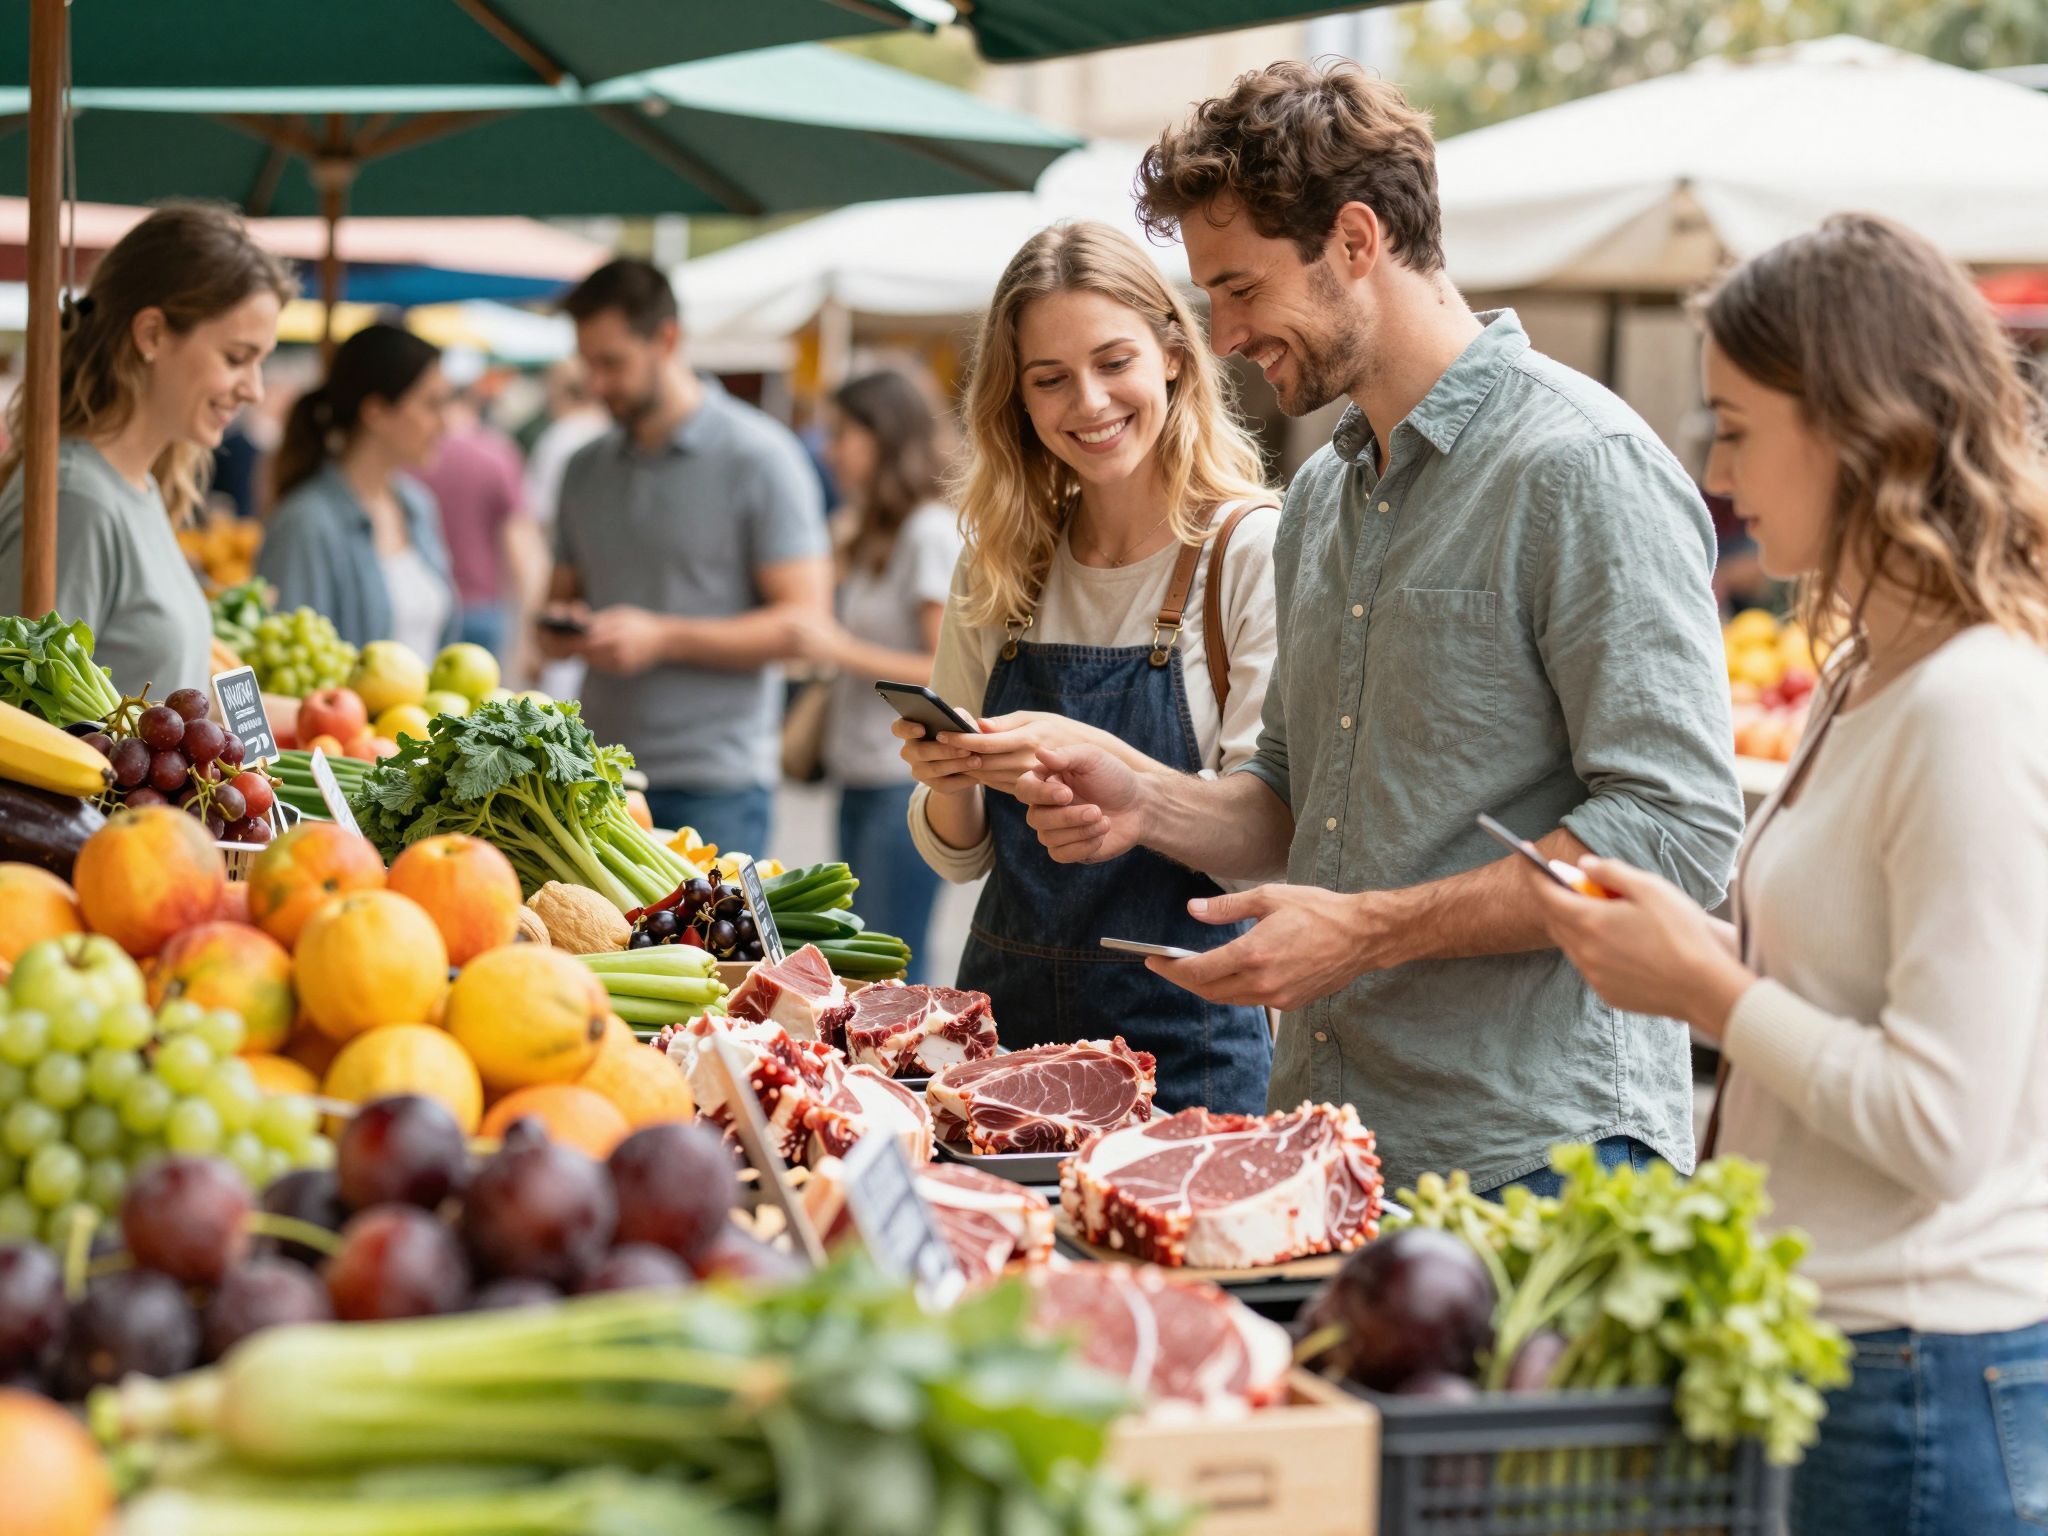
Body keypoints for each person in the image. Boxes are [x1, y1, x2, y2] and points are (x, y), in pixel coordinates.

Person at [1013, 63, 1744, 1191]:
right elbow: (1293, 808)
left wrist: (1366, 931)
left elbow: (1676, 830)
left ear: (1354, 240)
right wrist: (1142, 799)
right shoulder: (1321, 498)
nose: (1220, 331)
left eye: (1241, 287)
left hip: (1543, 1153)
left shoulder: (1578, 467)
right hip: (1334, 1137)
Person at [1532, 216, 2048, 1535]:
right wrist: (1681, 941)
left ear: (1858, 427)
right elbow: (1838, 978)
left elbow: (1942, 1128)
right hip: (1843, 1361)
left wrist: (1708, 992)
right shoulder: (1868, 672)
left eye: (1737, 423)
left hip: (1917, 1380)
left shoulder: (1971, 707)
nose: (1714, 466)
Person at [897, 221, 1281, 1114]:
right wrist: (948, 778)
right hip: (1001, 1034)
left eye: (1114, 362)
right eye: (1050, 379)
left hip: (1189, 1052)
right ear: (1017, 401)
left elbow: (1273, 847)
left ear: (1175, 356)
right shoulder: (1000, 558)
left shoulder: (1248, 549)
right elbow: (960, 858)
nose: (1090, 401)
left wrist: (1130, 794)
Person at [539, 258, 830, 858]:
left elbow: (805, 627)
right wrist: (561, 630)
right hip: (596, 777)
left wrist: (662, 637)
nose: (596, 383)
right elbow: (557, 600)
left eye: (611, 362)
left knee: (711, 957)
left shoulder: (761, 458)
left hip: (716, 784)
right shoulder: (582, 468)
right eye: (587, 364)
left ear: (666, 339)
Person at [0, 202, 291, 695]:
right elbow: (28, 724)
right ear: (152, 334)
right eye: (237, 358)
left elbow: (156, 700)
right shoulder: (76, 501)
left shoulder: (140, 484)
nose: (255, 390)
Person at [787, 370, 964, 984]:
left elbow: (944, 672)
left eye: (841, 434)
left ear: (884, 437)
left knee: (890, 970)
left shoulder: (927, 532)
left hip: (903, 784)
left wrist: (840, 648)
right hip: (863, 775)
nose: (828, 450)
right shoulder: (874, 531)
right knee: (866, 968)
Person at [259, 323, 458, 659]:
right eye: (431, 405)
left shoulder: (417, 506)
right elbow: (287, 663)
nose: (445, 424)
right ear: (376, 411)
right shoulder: (306, 523)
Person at [412, 363, 544, 664]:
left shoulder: (411, 459)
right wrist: (531, 634)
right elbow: (522, 551)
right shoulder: (497, 455)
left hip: (420, 607)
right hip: (482, 608)